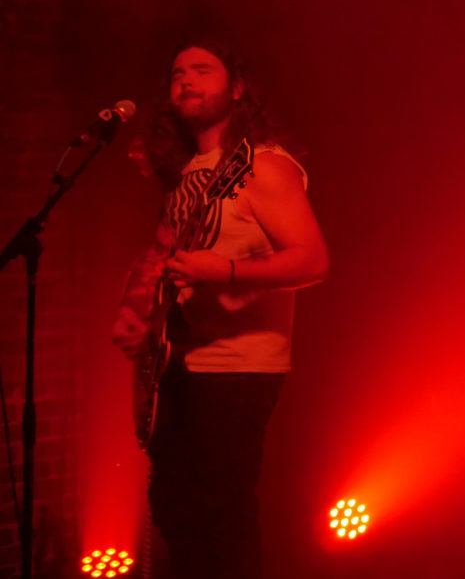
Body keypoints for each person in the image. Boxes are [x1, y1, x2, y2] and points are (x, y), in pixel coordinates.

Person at [111, 40, 329, 579]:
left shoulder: (262, 166)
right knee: (174, 511)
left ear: (236, 88)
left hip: (239, 368)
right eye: (177, 73)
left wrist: (226, 271)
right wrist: (135, 309)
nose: (185, 80)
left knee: (223, 521)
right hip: (180, 365)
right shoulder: (188, 172)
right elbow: (160, 254)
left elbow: (313, 259)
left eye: (202, 70)